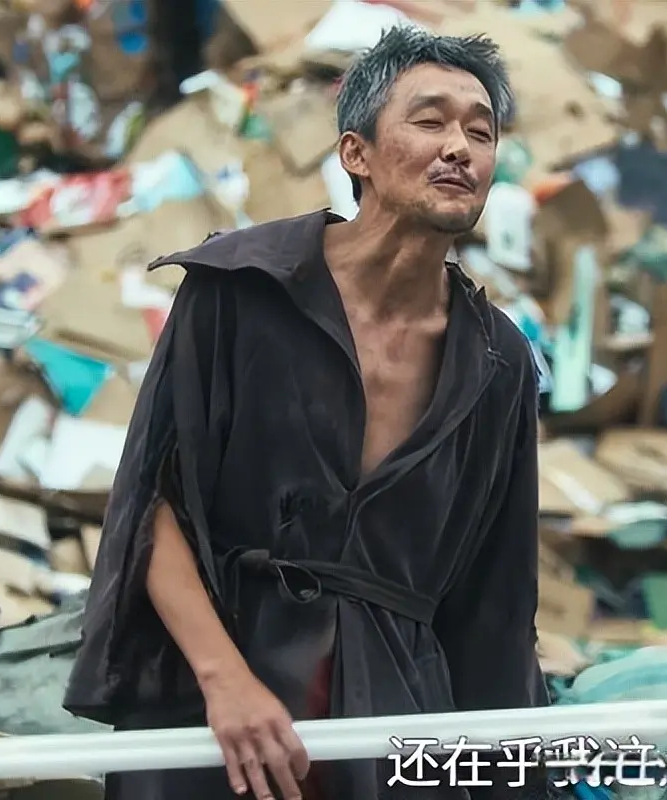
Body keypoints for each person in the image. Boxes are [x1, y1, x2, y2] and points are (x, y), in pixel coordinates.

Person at [64, 25, 550, 800]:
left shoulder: (496, 362)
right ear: (356, 153)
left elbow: (495, 605)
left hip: (389, 725)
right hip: (212, 706)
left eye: (481, 132)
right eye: (430, 121)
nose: (459, 147)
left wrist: (510, 778)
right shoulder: (240, 290)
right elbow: (151, 503)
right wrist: (224, 681)